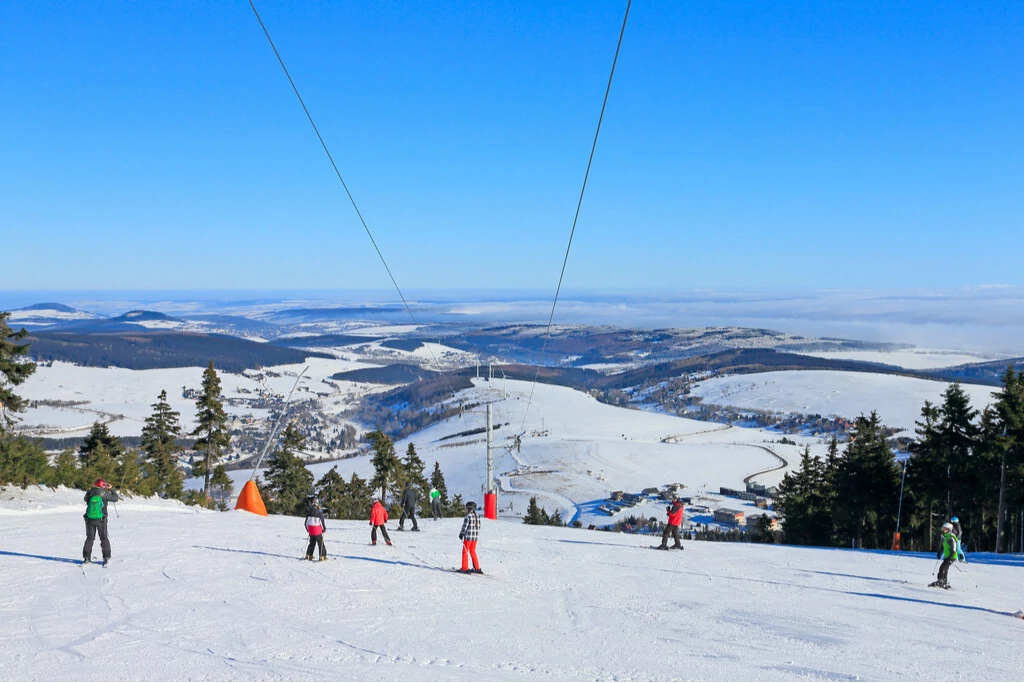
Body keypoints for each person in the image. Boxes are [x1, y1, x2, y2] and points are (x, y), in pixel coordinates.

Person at [83, 479, 119, 566]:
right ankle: (106, 557)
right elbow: (115, 498)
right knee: (103, 538)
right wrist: (111, 489)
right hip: (101, 520)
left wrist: (89, 490)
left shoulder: (90, 493)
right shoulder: (103, 494)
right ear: (102, 485)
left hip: (89, 519)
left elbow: (85, 499)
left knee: (90, 538)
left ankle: (86, 557)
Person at [930, 522, 958, 589]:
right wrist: (939, 552)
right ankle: (944, 581)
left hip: (952, 556)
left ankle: (941, 580)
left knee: (943, 567)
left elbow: (954, 549)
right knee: (945, 567)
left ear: (949, 530)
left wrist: (950, 557)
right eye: (943, 529)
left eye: (946, 529)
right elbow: (941, 546)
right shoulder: (944, 537)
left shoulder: (951, 538)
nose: (944, 530)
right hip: (947, 555)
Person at [458, 501, 482, 574]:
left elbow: (465, 526)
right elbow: (479, 527)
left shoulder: (468, 516)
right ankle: (477, 568)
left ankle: (465, 568)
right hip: (474, 538)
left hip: (468, 538)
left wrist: (461, 533)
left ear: (468, 508)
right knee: (472, 551)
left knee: (465, 551)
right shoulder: (477, 516)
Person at [304, 496, 327, 561]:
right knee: (320, 543)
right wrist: (324, 529)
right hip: (317, 531)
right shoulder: (319, 513)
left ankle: (309, 555)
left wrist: (308, 529)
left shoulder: (309, 513)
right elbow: (321, 523)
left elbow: (306, 523)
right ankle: (322, 556)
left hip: (311, 531)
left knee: (312, 543)